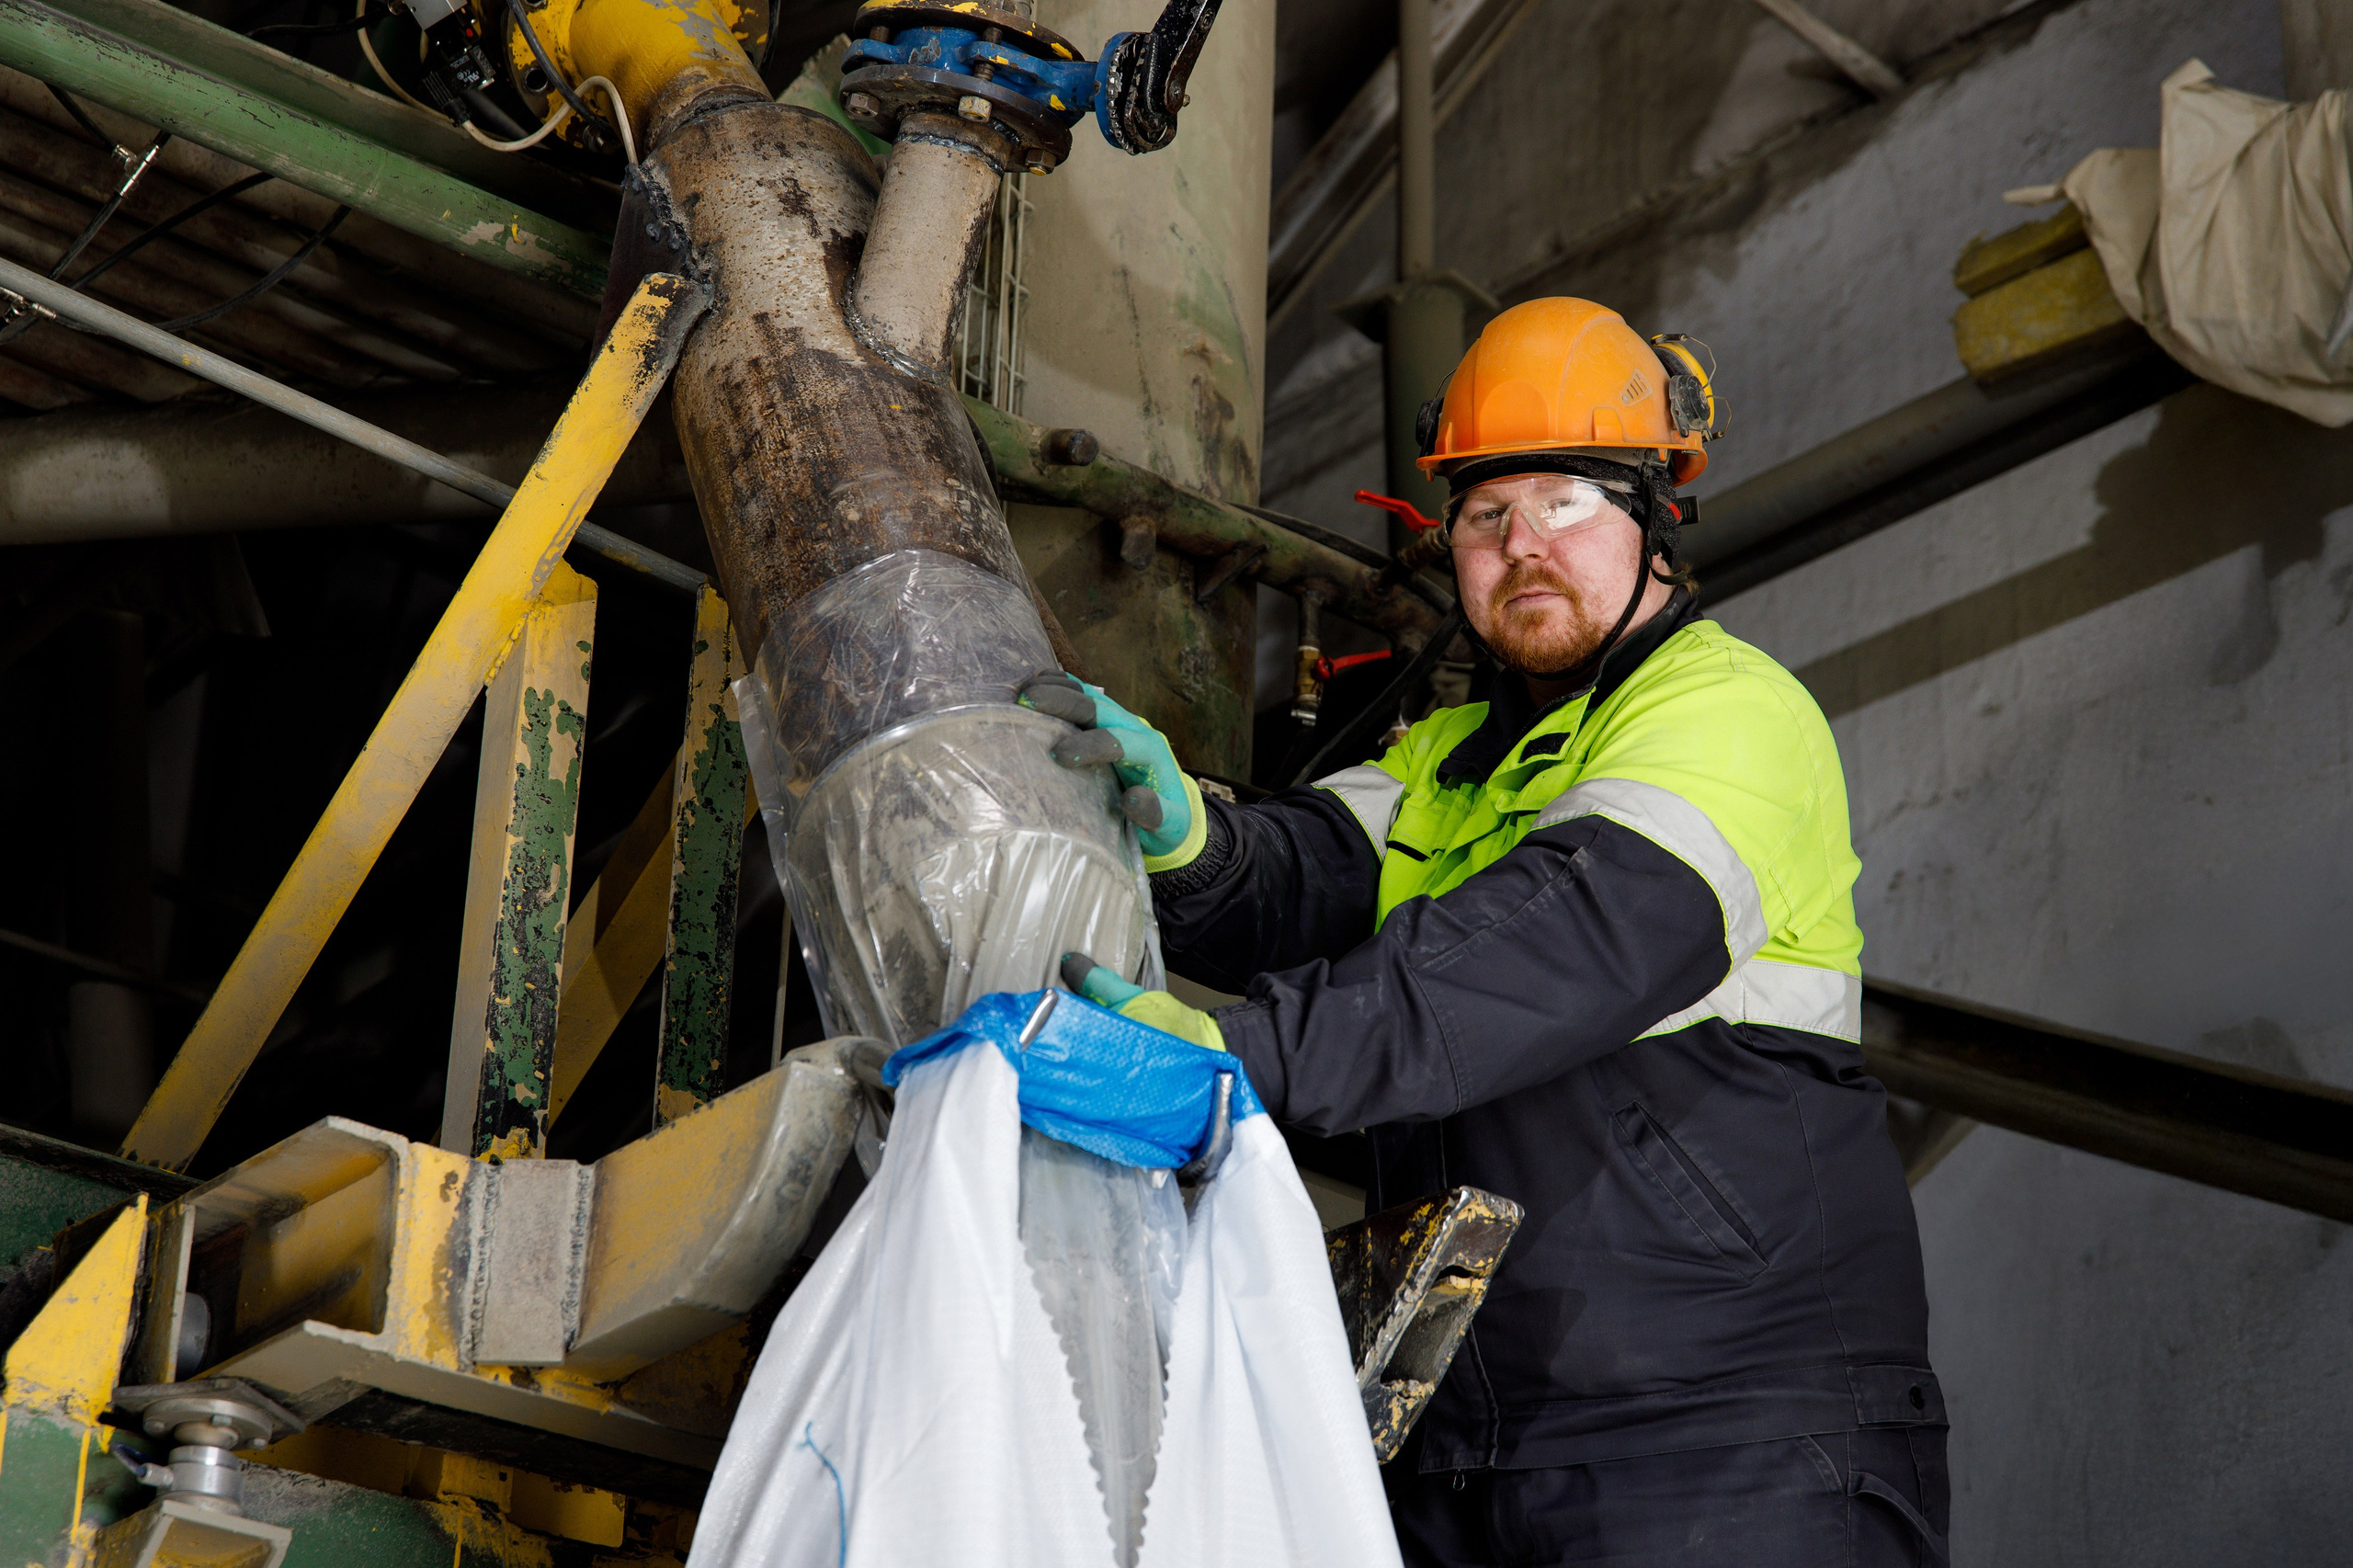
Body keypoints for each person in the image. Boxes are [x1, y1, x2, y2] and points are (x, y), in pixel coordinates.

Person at [1022, 297, 1947, 1568]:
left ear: (1656, 517)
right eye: (1486, 514)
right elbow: (1309, 876)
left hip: (1727, 1439)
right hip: (1464, 1446)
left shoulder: (1733, 713)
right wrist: (1189, 836)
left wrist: (1243, 1057)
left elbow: (1546, 952)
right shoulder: (1451, 756)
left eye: (1567, 501)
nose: (1524, 547)